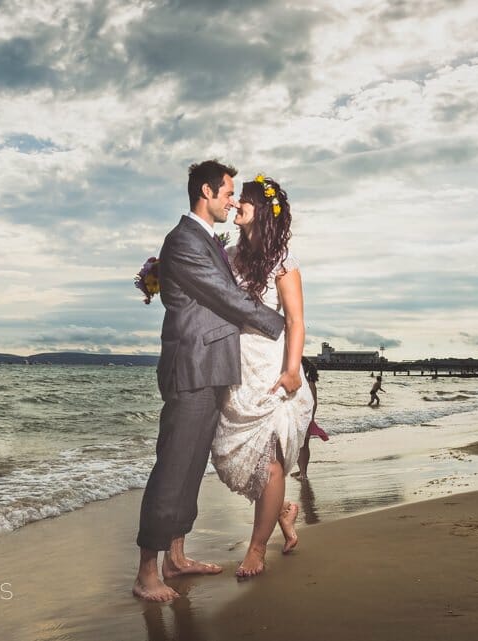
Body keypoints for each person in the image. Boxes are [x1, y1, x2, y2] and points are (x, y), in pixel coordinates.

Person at [134, 161, 287, 602]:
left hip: (212, 367)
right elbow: (224, 296)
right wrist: (279, 323)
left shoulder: (206, 240)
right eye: (227, 193)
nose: (232, 201)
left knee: (190, 465)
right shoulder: (183, 241)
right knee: (173, 466)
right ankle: (146, 573)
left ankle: (176, 557)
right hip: (193, 367)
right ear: (206, 190)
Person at [210, 173, 313, 578]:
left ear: (262, 210)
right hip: (238, 368)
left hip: (271, 368)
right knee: (240, 457)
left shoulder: (283, 260)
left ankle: (257, 548)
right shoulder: (230, 255)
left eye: (243, 201)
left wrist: (291, 371)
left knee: (270, 460)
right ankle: (283, 511)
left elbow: (296, 320)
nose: (235, 205)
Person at [294, 356, 328, 481]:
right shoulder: (306, 382)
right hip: (302, 417)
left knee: (302, 446)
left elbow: (313, 402)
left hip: (304, 418)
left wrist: (310, 419)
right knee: (301, 446)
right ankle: (302, 471)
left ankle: (303, 473)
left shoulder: (308, 383)